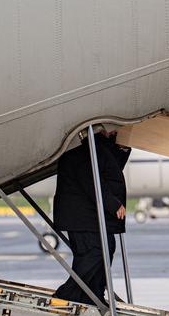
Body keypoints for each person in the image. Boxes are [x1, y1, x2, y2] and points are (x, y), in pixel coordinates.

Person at [53, 129, 131, 305]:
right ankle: (68, 293)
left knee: (105, 249)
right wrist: (113, 204)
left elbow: (111, 170)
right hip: (82, 218)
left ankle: (93, 294)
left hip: (91, 218)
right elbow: (92, 182)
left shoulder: (98, 150)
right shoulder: (88, 153)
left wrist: (123, 148)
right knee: (94, 253)